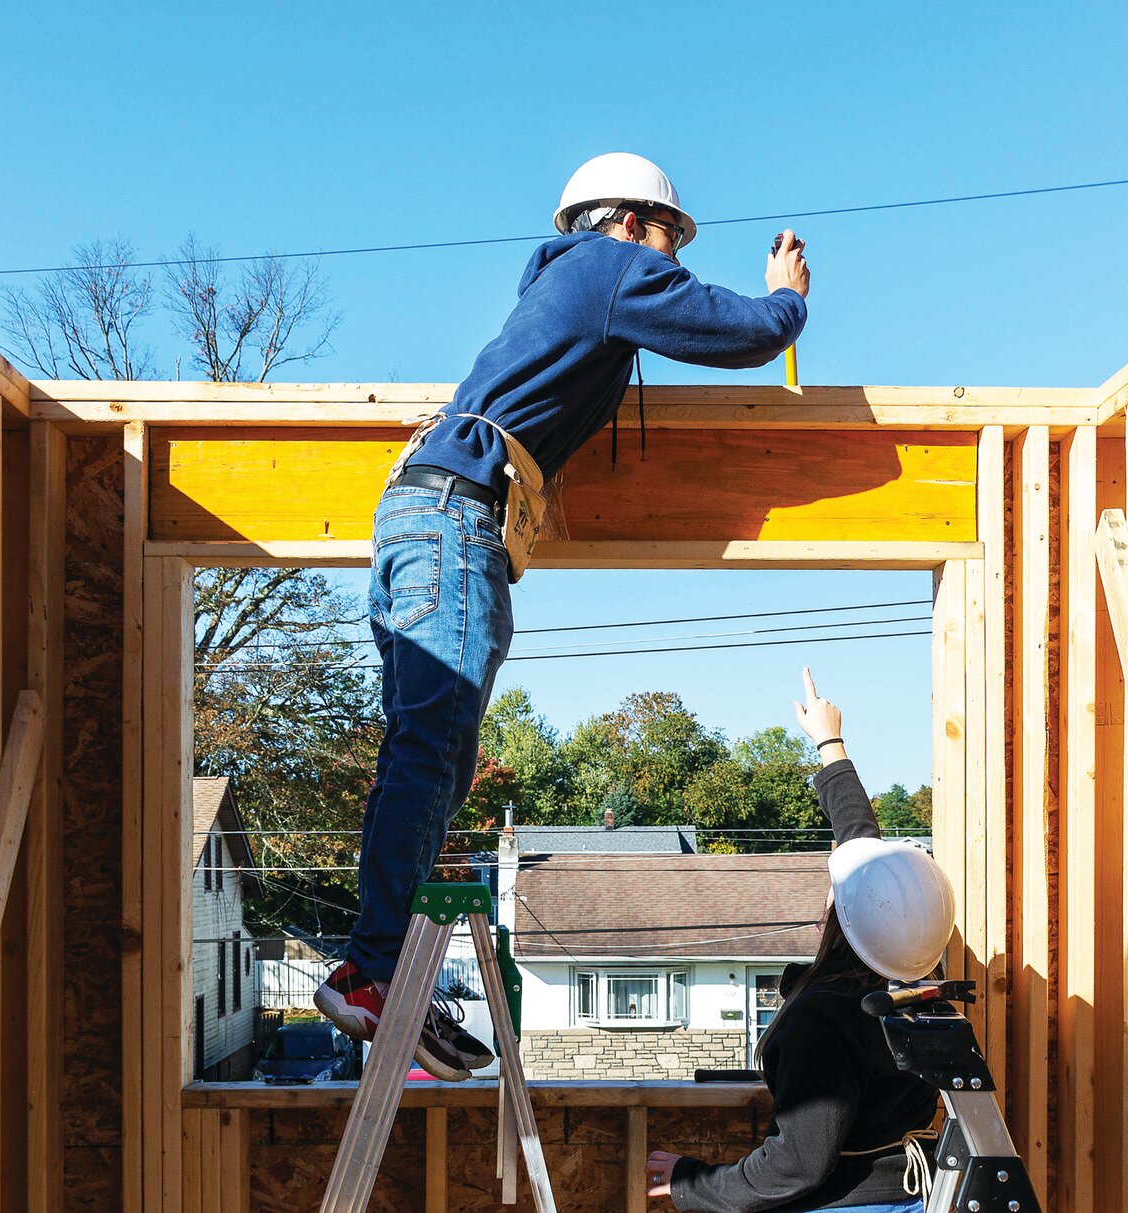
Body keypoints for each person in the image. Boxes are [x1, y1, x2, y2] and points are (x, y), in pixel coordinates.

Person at [315, 153, 812, 1080]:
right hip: (455, 522)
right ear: (626, 222)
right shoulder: (608, 267)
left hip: (424, 516)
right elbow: (737, 331)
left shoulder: (568, 288)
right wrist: (787, 302)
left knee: (429, 752)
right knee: (433, 750)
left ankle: (378, 971)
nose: (670, 260)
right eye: (669, 237)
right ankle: (375, 973)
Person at [644, 669, 955, 1213]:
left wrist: (691, 1183)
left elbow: (796, 1167)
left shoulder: (824, 1018)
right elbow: (874, 870)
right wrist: (830, 746)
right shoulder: (916, 990)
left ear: (841, 923)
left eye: (835, 897)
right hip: (912, 1197)